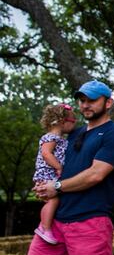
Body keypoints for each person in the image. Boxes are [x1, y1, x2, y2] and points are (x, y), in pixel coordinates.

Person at [20, 80, 114, 255]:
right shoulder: (74, 134)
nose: (85, 105)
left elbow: (96, 174)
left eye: (92, 100)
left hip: (90, 218)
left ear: (108, 103)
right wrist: (43, 184)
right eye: (82, 100)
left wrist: (56, 187)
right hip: (57, 220)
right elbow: (51, 161)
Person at [32, 103, 77, 244]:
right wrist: (59, 167)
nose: (75, 124)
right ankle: (44, 228)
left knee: (55, 199)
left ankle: (45, 227)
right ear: (62, 121)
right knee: (53, 200)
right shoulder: (50, 137)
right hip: (46, 174)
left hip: (51, 175)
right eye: (73, 121)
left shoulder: (60, 139)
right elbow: (46, 154)